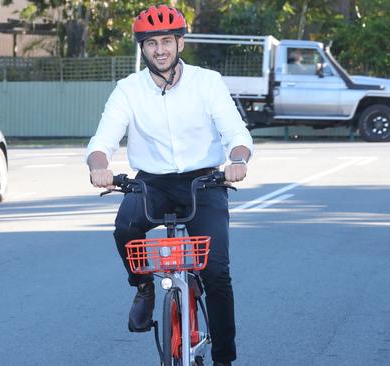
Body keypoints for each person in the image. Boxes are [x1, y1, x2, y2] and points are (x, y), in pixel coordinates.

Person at [86, 4, 253, 366]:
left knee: (216, 272)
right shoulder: (129, 89)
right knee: (125, 227)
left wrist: (237, 161)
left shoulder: (207, 82)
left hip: (205, 180)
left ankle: (224, 358)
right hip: (153, 183)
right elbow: (102, 141)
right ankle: (143, 286)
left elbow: (235, 132)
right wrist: (99, 167)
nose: (159, 49)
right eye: (150, 43)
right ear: (142, 48)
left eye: (166, 41)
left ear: (180, 43)